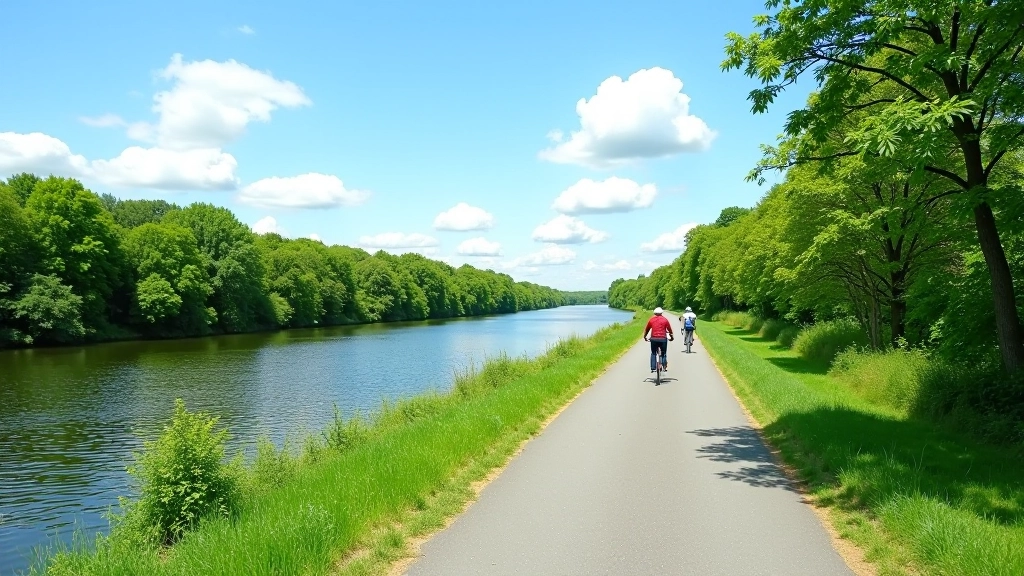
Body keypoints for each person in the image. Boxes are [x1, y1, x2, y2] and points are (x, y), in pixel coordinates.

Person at [643, 307, 674, 372]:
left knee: (653, 353)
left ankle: (653, 367)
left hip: (653, 339)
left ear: (655, 313)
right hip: (663, 339)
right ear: (661, 313)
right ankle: (664, 365)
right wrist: (671, 336)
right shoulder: (665, 320)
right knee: (664, 353)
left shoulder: (651, 320)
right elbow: (669, 330)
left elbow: (647, 329)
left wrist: (645, 336)